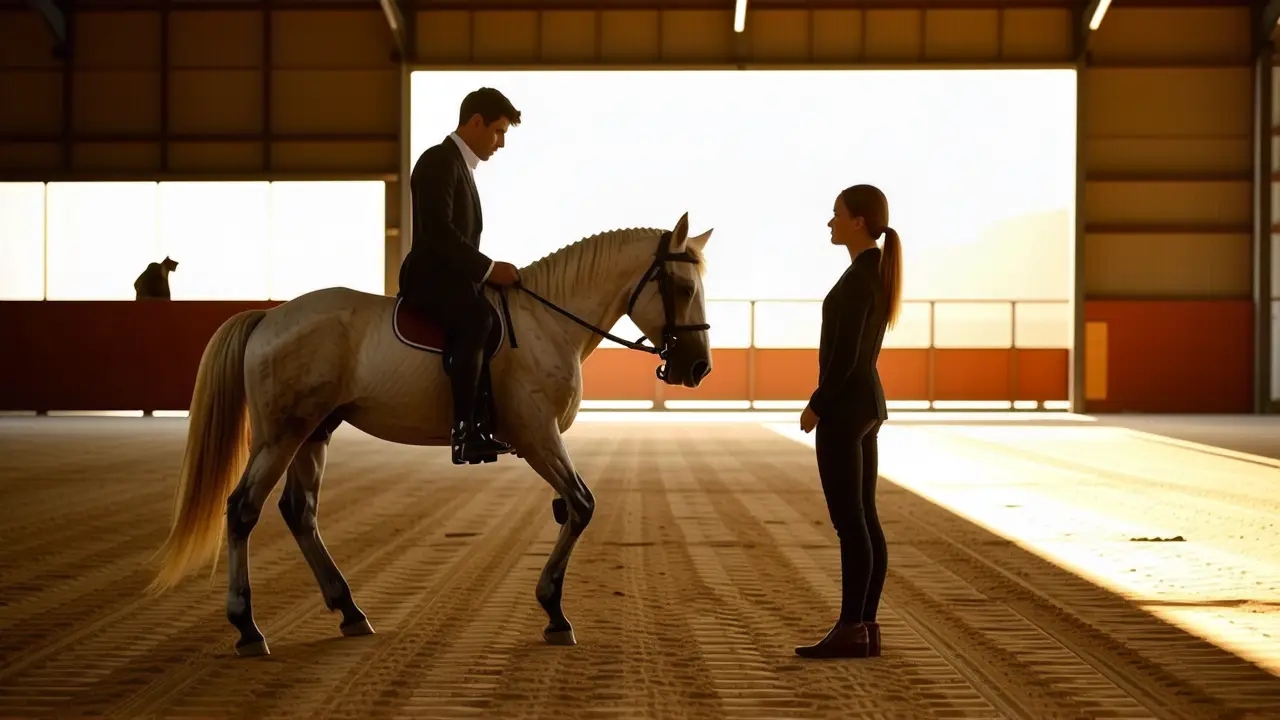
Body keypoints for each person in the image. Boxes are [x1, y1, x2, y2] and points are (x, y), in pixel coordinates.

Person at [794, 184, 903, 659]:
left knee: (850, 524)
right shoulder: (875, 271)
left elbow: (847, 356)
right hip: (867, 407)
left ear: (859, 221)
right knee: (865, 521)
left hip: (846, 409)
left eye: (837, 213)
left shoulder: (861, 277)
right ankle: (865, 626)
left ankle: (850, 627)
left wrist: (817, 404)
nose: (830, 221)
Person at [397, 87, 523, 465]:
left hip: (451, 278)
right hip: (429, 278)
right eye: (498, 132)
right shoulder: (438, 161)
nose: (500, 143)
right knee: (477, 318)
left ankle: (484, 421)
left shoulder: (459, 166)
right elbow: (438, 232)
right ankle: (464, 430)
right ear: (476, 122)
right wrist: (487, 269)